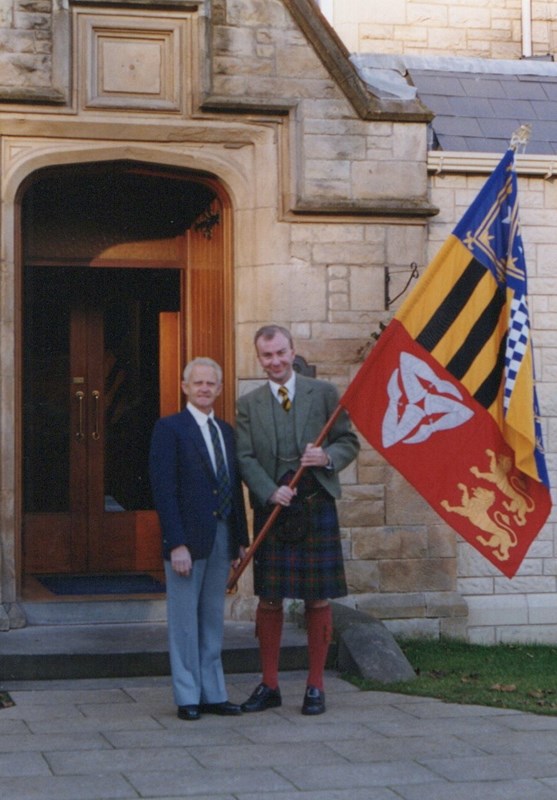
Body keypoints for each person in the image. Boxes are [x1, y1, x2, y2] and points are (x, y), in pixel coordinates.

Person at [236, 325, 360, 715]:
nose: (275, 362)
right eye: (267, 356)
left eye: (280, 353)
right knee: (269, 597)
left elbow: (348, 441)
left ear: (293, 351)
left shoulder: (322, 394)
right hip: (274, 507)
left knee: (317, 596)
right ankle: (269, 684)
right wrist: (269, 490)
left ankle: (315, 687)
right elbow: (244, 457)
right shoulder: (249, 403)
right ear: (259, 358)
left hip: (314, 503)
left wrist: (326, 458)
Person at [149, 357, 249, 721]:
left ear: (219, 389)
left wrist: (240, 538)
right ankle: (188, 696)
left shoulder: (226, 432)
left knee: (212, 619)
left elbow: (234, 489)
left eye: (211, 383)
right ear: (185, 387)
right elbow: (164, 489)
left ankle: (214, 693)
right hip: (187, 541)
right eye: (198, 383)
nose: (205, 388)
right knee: (184, 621)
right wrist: (176, 543)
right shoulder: (170, 428)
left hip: (222, 536)